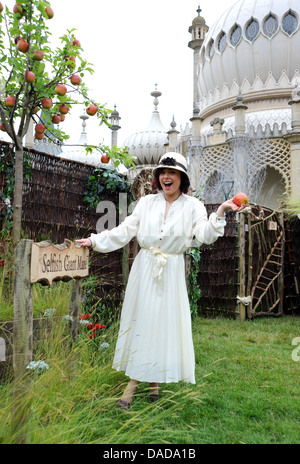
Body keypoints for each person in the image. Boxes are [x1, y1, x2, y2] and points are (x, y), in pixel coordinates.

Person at [76, 152, 247, 410]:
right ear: (158, 178)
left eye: (173, 173)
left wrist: (221, 211)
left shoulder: (193, 207)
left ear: (182, 178)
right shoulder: (145, 204)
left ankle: (134, 387)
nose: (167, 177)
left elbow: (205, 235)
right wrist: (94, 241)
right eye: (163, 172)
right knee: (144, 322)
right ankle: (145, 384)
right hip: (145, 269)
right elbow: (125, 231)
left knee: (161, 324)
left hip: (171, 271)